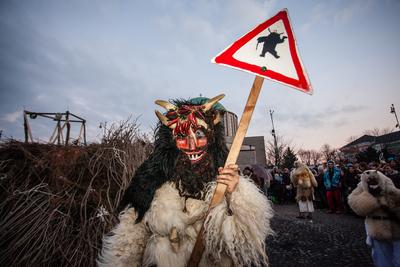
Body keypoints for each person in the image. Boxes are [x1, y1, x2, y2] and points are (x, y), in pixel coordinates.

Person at [98, 95, 273, 267]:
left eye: (199, 133)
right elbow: (128, 243)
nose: (191, 145)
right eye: (182, 136)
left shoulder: (224, 187)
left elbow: (242, 243)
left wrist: (233, 197)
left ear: (211, 139)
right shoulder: (151, 185)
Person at [348, 170, 400, 267]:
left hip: (396, 227)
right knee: (383, 261)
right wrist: (374, 198)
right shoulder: (362, 185)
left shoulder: (388, 180)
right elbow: (355, 204)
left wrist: (390, 194)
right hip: (378, 229)